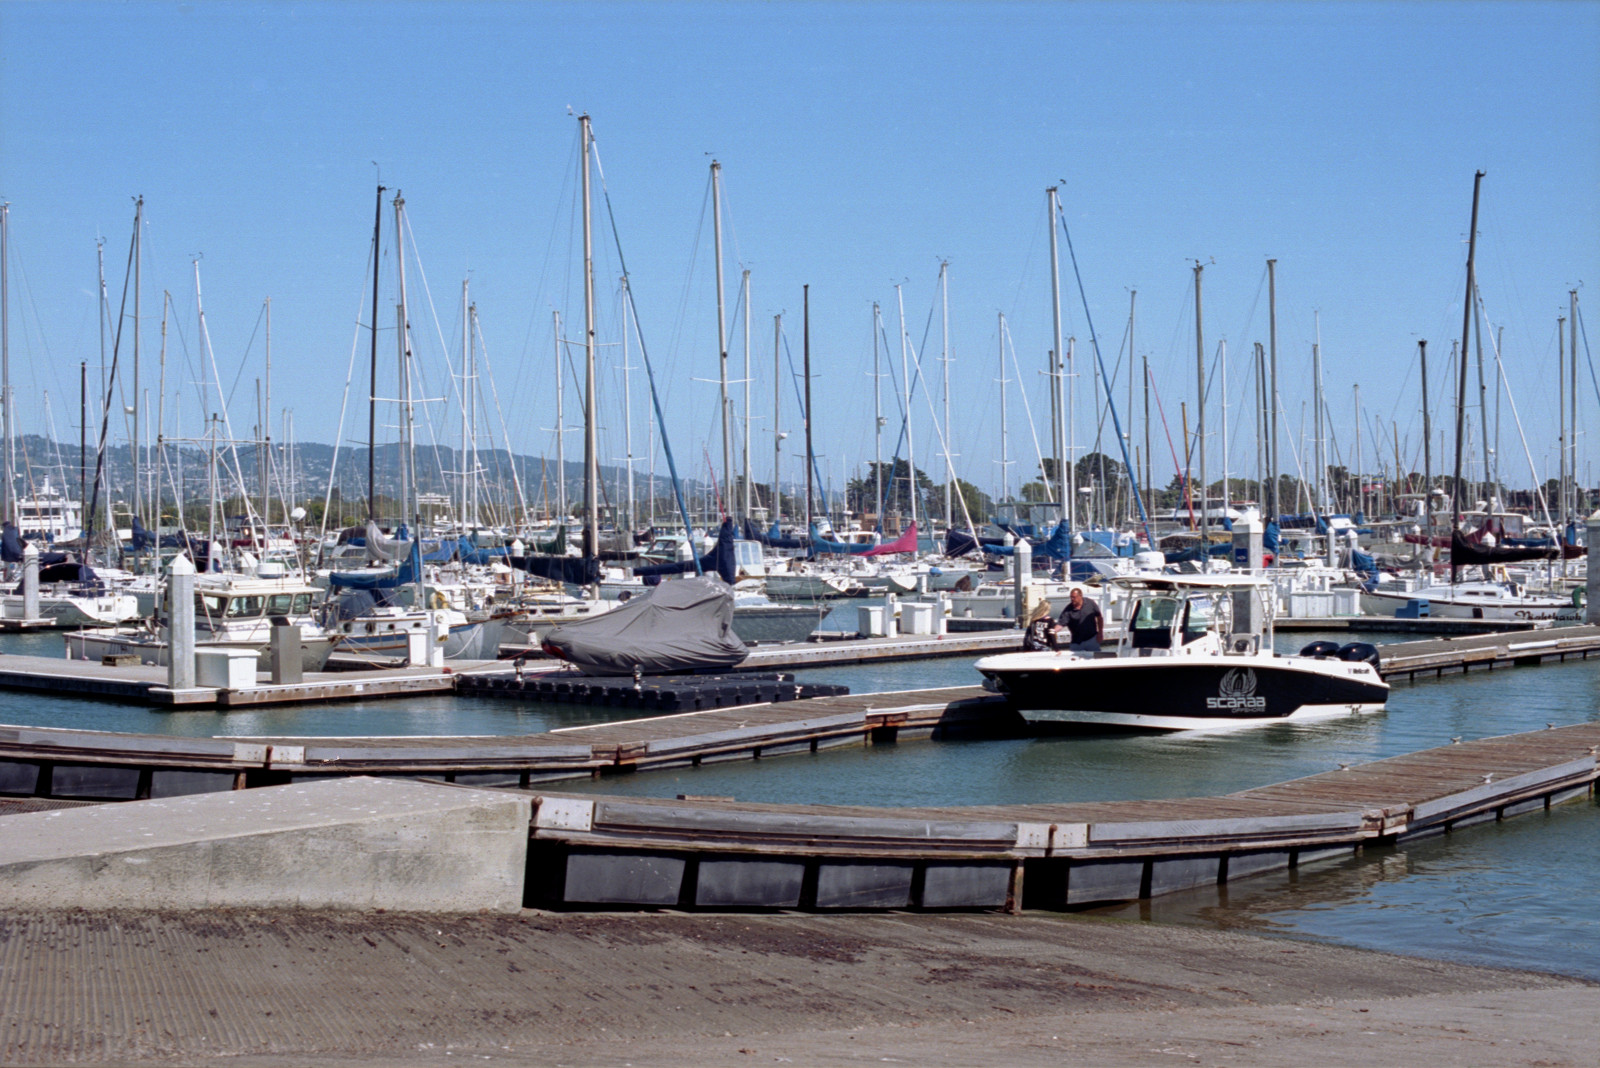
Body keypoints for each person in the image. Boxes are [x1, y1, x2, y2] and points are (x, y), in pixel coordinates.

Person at [1057, 586, 1103, 654]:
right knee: (1074, 660)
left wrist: (1100, 633)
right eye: (1071, 597)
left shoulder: (1090, 603)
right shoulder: (1068, 609)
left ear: (1080, 596)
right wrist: (1053, 630)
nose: (1072, 599)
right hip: (1077, 641)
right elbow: (1061, 623)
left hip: (1091, 639)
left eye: (1074, 597)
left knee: (1096, 658)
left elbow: (1099, 617)